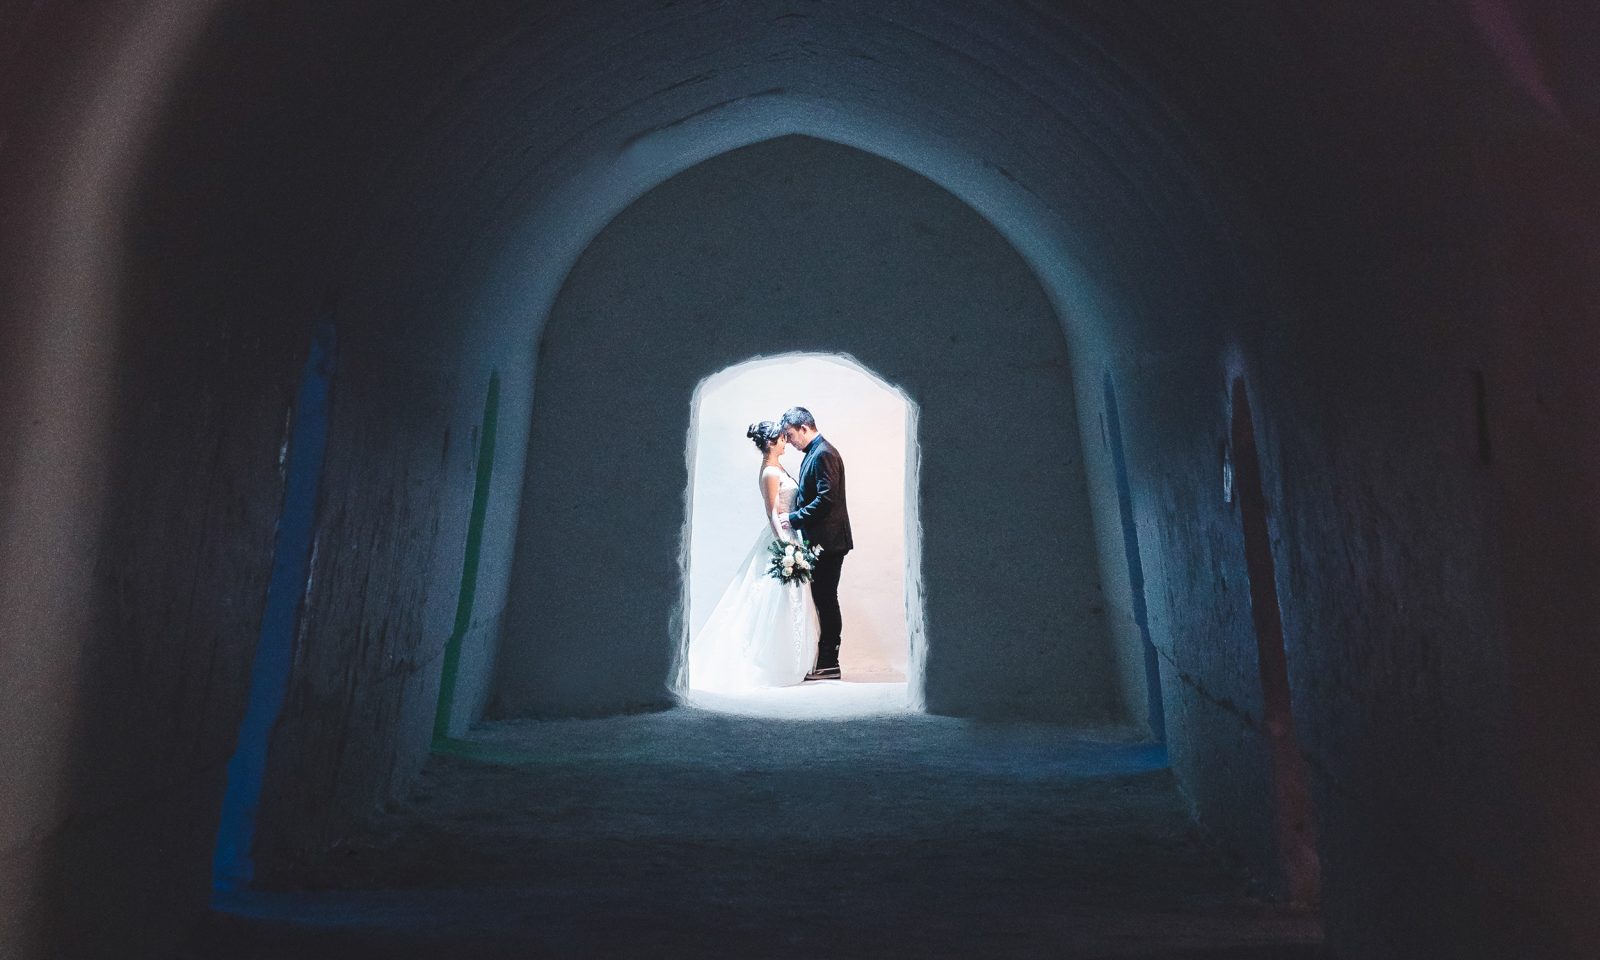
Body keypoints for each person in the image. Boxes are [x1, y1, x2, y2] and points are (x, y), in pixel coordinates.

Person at [687, 421, 820, 691]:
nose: (786, 442)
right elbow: (771, 510)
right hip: (782, 537)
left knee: (793, 597)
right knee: (775, 597)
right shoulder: (770, 471)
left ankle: (796, 659)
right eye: (783, 439)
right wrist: (785, 546)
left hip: (792, 534)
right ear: (771, 442)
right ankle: (775, 661)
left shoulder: (779, 467)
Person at [778, 406, 853, 681]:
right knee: (822, 599)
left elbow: (826, 499)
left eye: (790, 434)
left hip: (829, 542)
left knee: (826, 600)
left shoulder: (824, 453)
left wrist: (794, 518)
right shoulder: (814, 452)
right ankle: (824, 661)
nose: (788, 441)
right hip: (821, 540)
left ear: (804, 427)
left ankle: (830, 663)